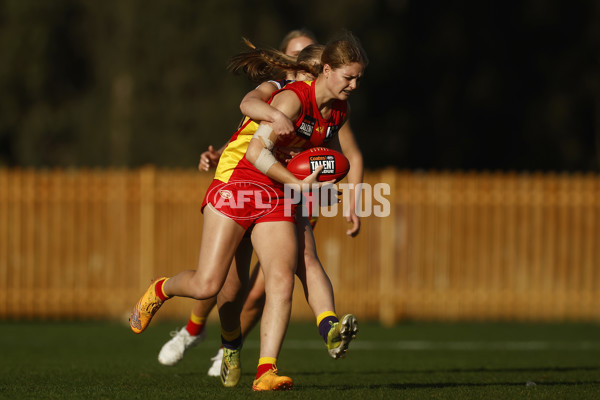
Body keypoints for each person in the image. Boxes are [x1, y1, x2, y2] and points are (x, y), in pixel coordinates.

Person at [129, 32, 368, 391]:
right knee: (212, 285)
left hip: (278, 191)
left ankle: (266, 371)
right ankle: (161, 289)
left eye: (358, 79)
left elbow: (334, 157)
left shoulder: (338, 111)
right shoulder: (288, 98)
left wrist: (330, 185)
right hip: (241, 182)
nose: (353, 85)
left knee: (282, 277)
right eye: (348, 77)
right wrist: (295, 178)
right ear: (326, 70)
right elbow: (255, 151)